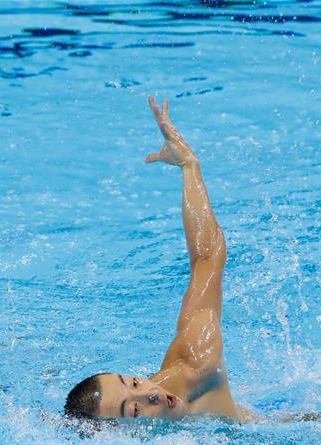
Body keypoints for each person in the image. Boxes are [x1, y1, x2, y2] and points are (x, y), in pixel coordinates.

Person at [64, 97, 253, 423]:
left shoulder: (197, 363)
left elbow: (208, 258)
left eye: (135, 382)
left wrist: (190, 167)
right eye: (135, 409)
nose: (151, 394)